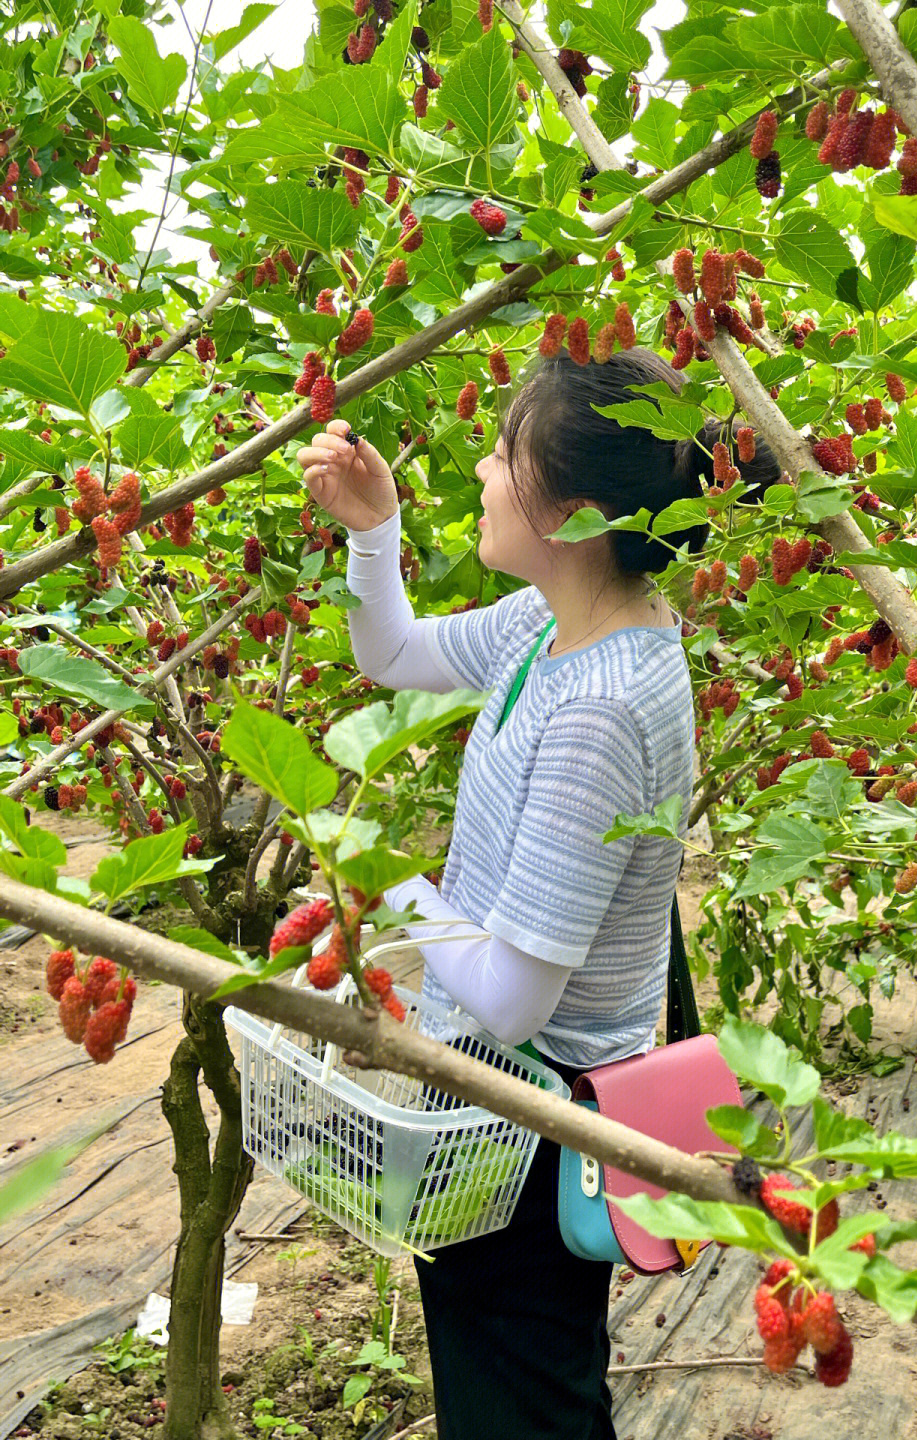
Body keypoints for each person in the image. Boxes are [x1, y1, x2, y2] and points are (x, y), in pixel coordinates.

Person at [297, 346, 779, 1439]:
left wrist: (389, 883)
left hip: (531, 1111)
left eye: (505, 453)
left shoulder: (601, 705)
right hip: (497, 1095)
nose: (479, 466)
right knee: (500, 1383)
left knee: (524, 1399)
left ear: (572, 515)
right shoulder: (556, 626)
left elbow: (514, 997)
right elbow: (399, 655)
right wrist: (375, 532)